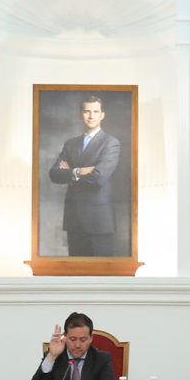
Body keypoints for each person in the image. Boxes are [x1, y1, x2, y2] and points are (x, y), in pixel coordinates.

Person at [46, 94, 125, 258]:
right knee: (76, 271)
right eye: (87, 111)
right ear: (80, 114)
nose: (91, 116)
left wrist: (70, 172)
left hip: (98, 221)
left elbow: (98, 178)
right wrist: (79, 171)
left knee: (100, 272)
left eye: (95, 111)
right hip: (74, 219)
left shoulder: (111, 143)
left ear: (102, 115)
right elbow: (54, 174)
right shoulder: (71, 143)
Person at [32, 313, 117, 380]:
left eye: (83, 340)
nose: (77, 345)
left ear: (91, 338)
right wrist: (51, 356)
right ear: (65, 337)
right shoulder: (54, 357)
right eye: (73, 339)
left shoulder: (101, 359)